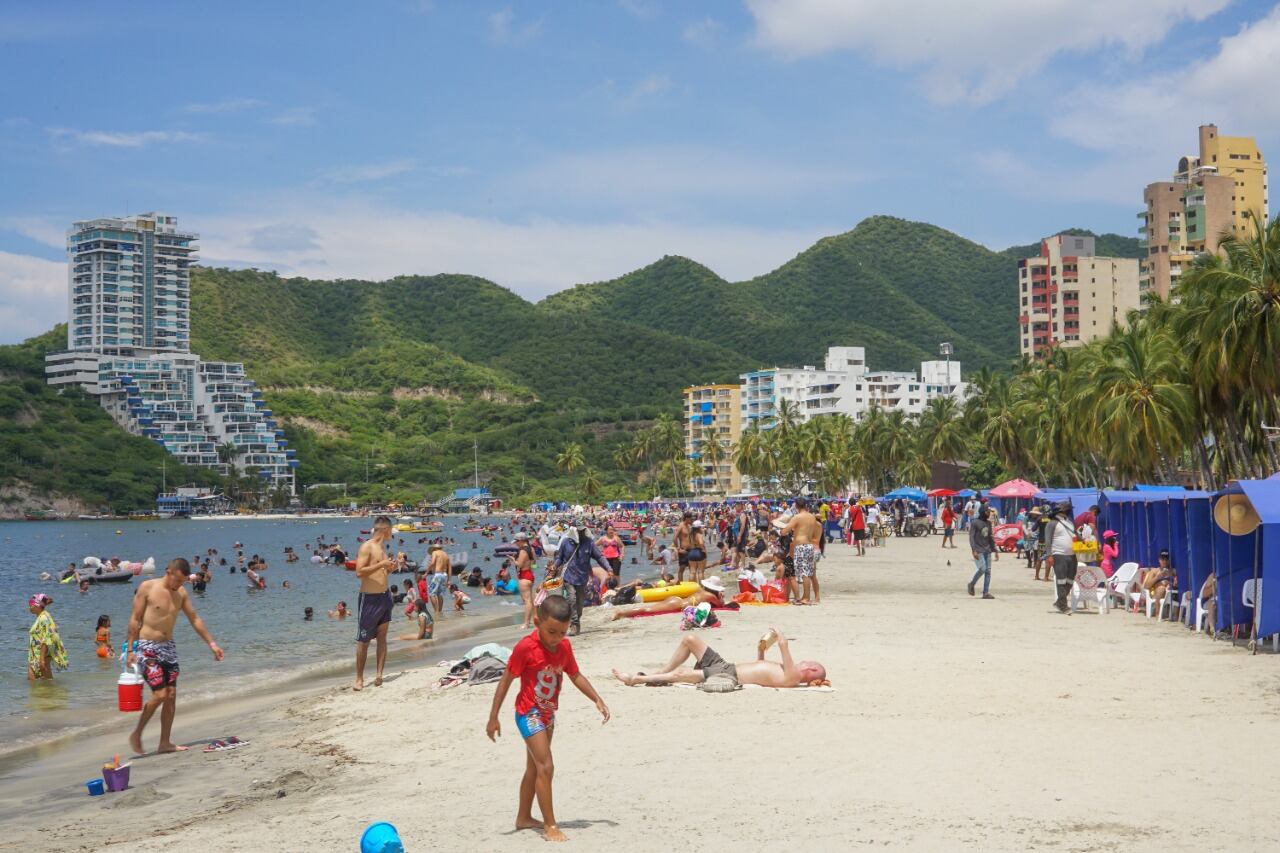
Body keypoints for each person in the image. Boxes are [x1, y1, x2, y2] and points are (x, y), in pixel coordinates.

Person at [485, 595, 610, 843]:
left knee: (534, 769)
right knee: (546, 767)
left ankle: (523, 817)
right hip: (528, 713)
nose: (556, 638)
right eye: (551, 631)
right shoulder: (525, 648)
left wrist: (597, 698)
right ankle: (550, 825)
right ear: (537, 622)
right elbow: (506, 680)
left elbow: (575, 675)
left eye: (562, 632)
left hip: (547, 714)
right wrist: (493, 717)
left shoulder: (564, 647)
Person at [126, 558, 224, 754]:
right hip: (147, 647)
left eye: (182, 582)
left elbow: (195, 619)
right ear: (169, 572)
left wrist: (212, 644)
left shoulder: (180, 593)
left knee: (171, 696)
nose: (178, 585)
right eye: (177, 580)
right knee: (160, 694)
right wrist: (130, 649)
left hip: (168, 647)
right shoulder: (147, 587)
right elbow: (135, 619)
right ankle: (137, 733)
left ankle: (165, 743)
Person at [612, 629, 826, 688]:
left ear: (810, 671)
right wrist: (761, 650)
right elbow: (761, 669)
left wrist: (780, 634)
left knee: (681, 675)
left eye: (809, 663)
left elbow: (783, 645)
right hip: (726, 665)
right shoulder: (788, 673)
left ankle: (635, 680)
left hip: (727, 674)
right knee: (690, 639)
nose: (805, 660)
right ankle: (658, 674)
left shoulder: (793, 677)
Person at [353, 515, 396, 691]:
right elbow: (359, 572)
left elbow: (382, 573)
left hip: (384, 597)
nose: (392, 533)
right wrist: (382, 564)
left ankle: (379, 674)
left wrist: (390, 568)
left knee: (382, 637)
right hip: (369, 598)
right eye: (391, 530)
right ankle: (359, 678)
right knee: (364, 640)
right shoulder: (367, 546)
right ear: (385, 529)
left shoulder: (382, 548)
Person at [552, 524, 610, 636]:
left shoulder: (589, 543)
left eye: (583, 531)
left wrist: (608, 568)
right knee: (571, 598)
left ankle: (576, 622)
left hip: (582, 577)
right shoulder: (565, 542)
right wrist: (555, 565)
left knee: (579, 603)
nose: (581, 533)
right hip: (568, 576)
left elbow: (599, 557)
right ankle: (574, 624)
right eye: (579, 532)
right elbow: (559, 557)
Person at [608, 577, 726, 620]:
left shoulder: (701, 591)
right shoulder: (710, 596)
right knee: (647, 610)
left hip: (677, 600)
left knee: (649, 609)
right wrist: (720, 596)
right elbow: (721, 606)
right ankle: (621, 613)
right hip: (678, 604)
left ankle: (623, 613)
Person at [781, 498, 823, 604]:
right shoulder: (812, 517)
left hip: (801, 546)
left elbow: (785, 531)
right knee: (808, 573)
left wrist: (782, 528)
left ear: (796, 506)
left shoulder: (797, 517)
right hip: (809, 546)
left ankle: (806, 598)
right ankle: (806, 596)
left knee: (804, 573)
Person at [1045, 501, 1078, 614]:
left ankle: (1059, 602)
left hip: (1072, 555)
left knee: (1070, 580)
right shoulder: (1052, 523)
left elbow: (1074, 536)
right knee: (1061, 580)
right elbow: (1048, 541)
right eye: (1068, 509)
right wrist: (1049, 555)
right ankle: (1063, 606)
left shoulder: (1069, 522)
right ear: (1062, 510)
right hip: (1058, 555)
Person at [27, 594, 68, 680]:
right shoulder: (43, 616)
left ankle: (51, 693)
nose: (29, 606)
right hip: (39, 655)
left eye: (31, 604)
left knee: (34, 684)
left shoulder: (43, 618)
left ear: (37, 605)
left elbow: (47, 639)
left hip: (40, 656)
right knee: (45, 683)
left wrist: (42, 659)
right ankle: (51, 693)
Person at [966, 506, 997, 599]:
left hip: (987, 550)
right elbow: (971, 537)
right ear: (983, 512)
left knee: (988, 572)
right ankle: (972, 584)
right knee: (982, 569)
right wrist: (973, 550)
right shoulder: (975, 522)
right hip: (978, 549)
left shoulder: (988, 523)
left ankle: (985, 592)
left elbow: (990, 537)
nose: (989, 514)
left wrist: (995, 549)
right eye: (988, 512)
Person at [1142, 549, 1177, 615]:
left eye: (1166, 559)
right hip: (1155, 593)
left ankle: (1174, 615)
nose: (1164, 561)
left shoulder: (1173, 571)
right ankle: (1158, 614)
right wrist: (1157, 577)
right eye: (1162, 559)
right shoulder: (1154, 571)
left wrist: (1171, 581)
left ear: (1169, 560)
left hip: (1170, 592)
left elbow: (1177, 583)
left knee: (1164, 587)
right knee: (1161, 588)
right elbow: (1146, 586)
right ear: (1159, 560)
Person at [514, 532, 537, 630]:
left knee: (527, 601)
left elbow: (519, 564)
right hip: (530, 575)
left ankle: (526, 623)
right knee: (530, 600)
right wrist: (530, 569)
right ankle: (535, 619)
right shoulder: (531, 549)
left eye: (516, 541)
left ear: (521, 540)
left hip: (524, 575)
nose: (515, 543)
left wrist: (512, 560)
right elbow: (535, 563)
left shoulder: (523, 551)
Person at [427, 545, 451, 615]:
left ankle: (436, 611)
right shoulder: (445, 554)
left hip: (437, 575)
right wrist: (449, 580)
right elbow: (450, 568)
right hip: (444, 575)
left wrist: (426, 572)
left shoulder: (435, 552)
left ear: (434, 549)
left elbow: (432, 563)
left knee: (431, 593)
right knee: (440, 594)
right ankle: (440, 611)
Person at [672, 512, 695, 583]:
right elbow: (674, 538)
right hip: (683, 550)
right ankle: (681, 584)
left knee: (692, 567)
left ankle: (691, 583)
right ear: (687, 518)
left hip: (690, 549)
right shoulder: (680, 526)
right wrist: (678, 549)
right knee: (682, 568)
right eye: (690, 519)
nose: (692, 520)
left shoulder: (688, 526)